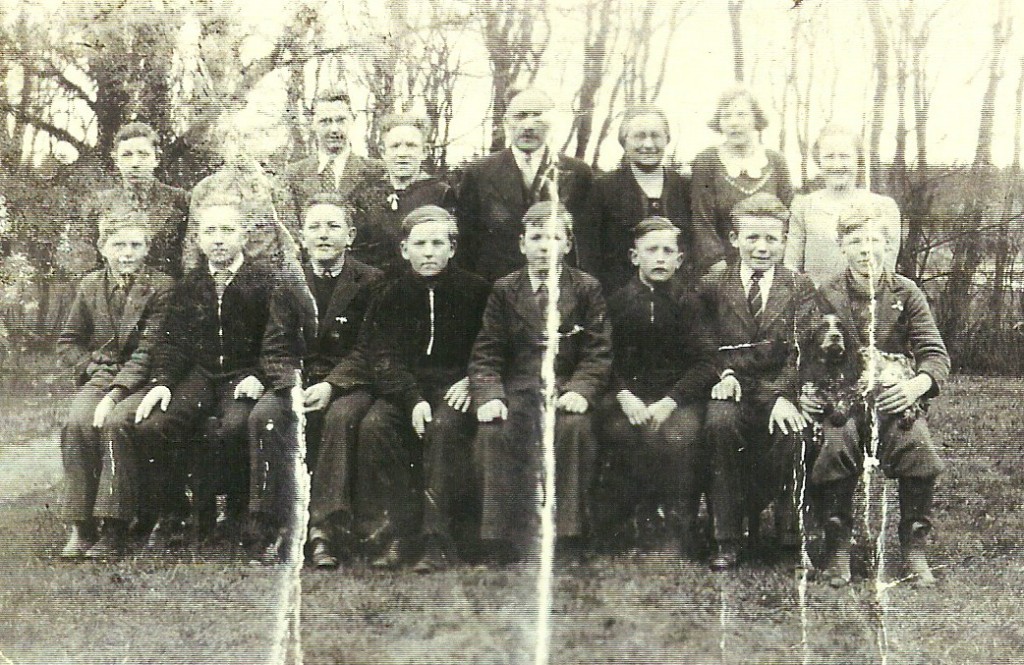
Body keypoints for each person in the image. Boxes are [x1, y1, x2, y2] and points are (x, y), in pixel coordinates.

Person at [127, 194, 286, 550]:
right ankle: (176, 513)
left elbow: (279, 339)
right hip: (199, 376)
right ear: (198, 239)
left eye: (227, 230)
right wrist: (163, 383)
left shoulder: (265, 281)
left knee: (233, 426)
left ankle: (237, 511)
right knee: (156, 425)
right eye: (210, 231)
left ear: (244, 236)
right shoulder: (190, 284)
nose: (218, 239)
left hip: (243, 374)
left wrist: (260, 376)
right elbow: (172, 342)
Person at [804, 214, 948, 588]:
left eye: (874, 242)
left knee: (917, 444)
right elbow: (808, 351)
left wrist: (918, 385)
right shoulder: (827, 293)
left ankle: (914, 546)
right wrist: (813, 389)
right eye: (855, 242)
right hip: (843, 399)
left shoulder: (906, 292)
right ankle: (838, 547)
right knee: (836, 445)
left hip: (893, 398)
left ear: (888, 245)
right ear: (842, 247)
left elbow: (935, 352)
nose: (866, 251)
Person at [469, 201, 611, 563]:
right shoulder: (505, 289)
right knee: (493, 432)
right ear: (522, 244)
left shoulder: (586, 288)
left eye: (554, 237)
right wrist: (489, 394)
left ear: (567, 244)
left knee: (573, 430)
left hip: (564, 387)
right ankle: (498, 537)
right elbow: (487, 350)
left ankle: (568, 534)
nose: (544, 246)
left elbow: (598, 351)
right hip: (519, 388)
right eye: (536, 237)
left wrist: (581, 390)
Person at [355, 206, 491, 571]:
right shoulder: (389, 293)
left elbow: (490, 345)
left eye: (437, 243)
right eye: (420, 244)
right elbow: (380, 355)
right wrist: (411, 398)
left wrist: (471, 380)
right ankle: (401, 532)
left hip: (456, 387)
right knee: (375, 427)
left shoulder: (476, 290)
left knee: (444, 430)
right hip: (407, 388)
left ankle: (437, 540)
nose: (428, 252)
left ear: (452, 248)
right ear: (404, 250)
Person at [699, 193, 815, 571]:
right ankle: (726, 537)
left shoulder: (800, 286)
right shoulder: (714, 283)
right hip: (729, 388)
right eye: (752, 238)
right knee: (719, 424)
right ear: (734, 239)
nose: (762, 248)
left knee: (793, 431)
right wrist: (724, 373)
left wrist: (780, 395)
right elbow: (703, 342)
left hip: (781, 387)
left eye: (771, 239)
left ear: (784, 242)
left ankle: (789, 535)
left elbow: (801, 352)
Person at [268, 194, 383, 570]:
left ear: (349, 236)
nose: (323, 235)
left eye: (333, 226)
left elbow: (370, 348)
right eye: (314, 227)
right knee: (266, 417)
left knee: (339, 418)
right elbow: (276, 345)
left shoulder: (371, 281)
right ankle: (272, 523)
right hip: (299, 380)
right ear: (301, 237)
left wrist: (333, 385)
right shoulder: (287, 281)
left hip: (351, 381)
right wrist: (291, 385)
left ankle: (324, 531)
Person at [595, 218, 718, 558]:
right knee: (620, 434)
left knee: (678, 437)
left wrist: (671, 400)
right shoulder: (616, 303)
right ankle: (624, 524)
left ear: (680, 260)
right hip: (627, 398)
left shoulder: (690, 305)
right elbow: (603, 357)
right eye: (652, 250)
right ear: (635, 257)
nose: (660, 258)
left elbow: (707, 362)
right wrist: (623, 395)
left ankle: (678, 529)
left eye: (668, 251)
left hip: (678, 400)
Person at [56, 210, 174, 559]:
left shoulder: (162, 287)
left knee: (113, 423)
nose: (126, 253)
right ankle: (80, 524)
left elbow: (150, 349)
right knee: (76, 422)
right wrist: (90, 366)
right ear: (102, 247)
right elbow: (69, 340)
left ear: (147, 248)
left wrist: (116, 393)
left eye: (135, 245)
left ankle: (114, 524)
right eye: (118, 244)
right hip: (102, 375)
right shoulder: (91, 285)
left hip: (143, 377)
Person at [456, 88, 593, 283]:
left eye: (537, 117)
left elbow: (585, 241)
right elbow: (467, 240)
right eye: (520, 116)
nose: (528, 125)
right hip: (494, 286)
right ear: (506, 122)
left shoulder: (577, 173)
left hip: (557, 288)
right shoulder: (479, 172)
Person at [582, 105, 717, 292]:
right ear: (624, 141)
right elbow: (589, 253)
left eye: (656, 136)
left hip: (680, 301)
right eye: (639, 136)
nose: (648, 145)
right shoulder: (603, 189)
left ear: (667, 139)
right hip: (618, 300)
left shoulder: (685, 187)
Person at [183, 107, 302, 276]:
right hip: (220, 276)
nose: (240, 147)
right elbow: (192, 246)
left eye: (247, 137)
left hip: (267, 278)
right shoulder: (206, 188)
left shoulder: (276, 185)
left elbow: (290, 242)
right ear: (223, 144)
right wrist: (192, 283)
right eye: (232, 138)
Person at [691, 86, 794, 272]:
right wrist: (719, 267)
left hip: (770, 262)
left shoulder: (776, 161)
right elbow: (702, 220)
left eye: (741, 115)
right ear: (719, 122)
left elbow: (789, 216)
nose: (733, 123)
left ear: (756, 119)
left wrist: (777, 263)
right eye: (726, 116)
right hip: (722, 267)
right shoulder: (706, 161)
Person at [785, 125, 903, 286]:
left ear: (858, 159)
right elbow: (791, 267)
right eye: (829, 157)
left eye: (845, 156)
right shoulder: (803, 206)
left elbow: (887, 271)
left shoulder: (884, 207)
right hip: (815, 303)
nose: (837, 165)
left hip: (865, 301)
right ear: (819, 160)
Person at [72, 122, 189, 277]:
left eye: (143, 154)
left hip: (168, 292)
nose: (135, 164)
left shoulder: (179, 200)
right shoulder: (99, 203)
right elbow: (86, 259)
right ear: (116, 160)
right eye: (127, 155)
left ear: (156, 159)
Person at [347, 114, 457, 274]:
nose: (402, 153)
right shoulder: (364, 194)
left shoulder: (442, 194)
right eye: (395, 146)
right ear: (383, 152)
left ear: (425, 151)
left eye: (411, 146)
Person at [283, 88, 385, 214]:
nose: (334, 129)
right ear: (312, 124)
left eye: (341, 120)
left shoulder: (377, 172)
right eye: (325, 121)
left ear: (352, 120)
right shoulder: (293, 174)